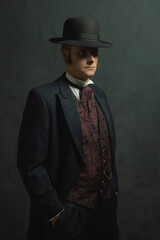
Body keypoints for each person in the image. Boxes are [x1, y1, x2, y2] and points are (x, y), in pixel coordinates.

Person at [17, 16, 119, 240]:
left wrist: (114, 194)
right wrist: (56, 213)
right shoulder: (43, 98)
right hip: (67, 214)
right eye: (83, 53)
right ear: (65, 54)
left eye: (94, 53)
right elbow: (30, 165)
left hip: (104, 215)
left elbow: (108, 152)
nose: (91, 59)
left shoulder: (101, 96)